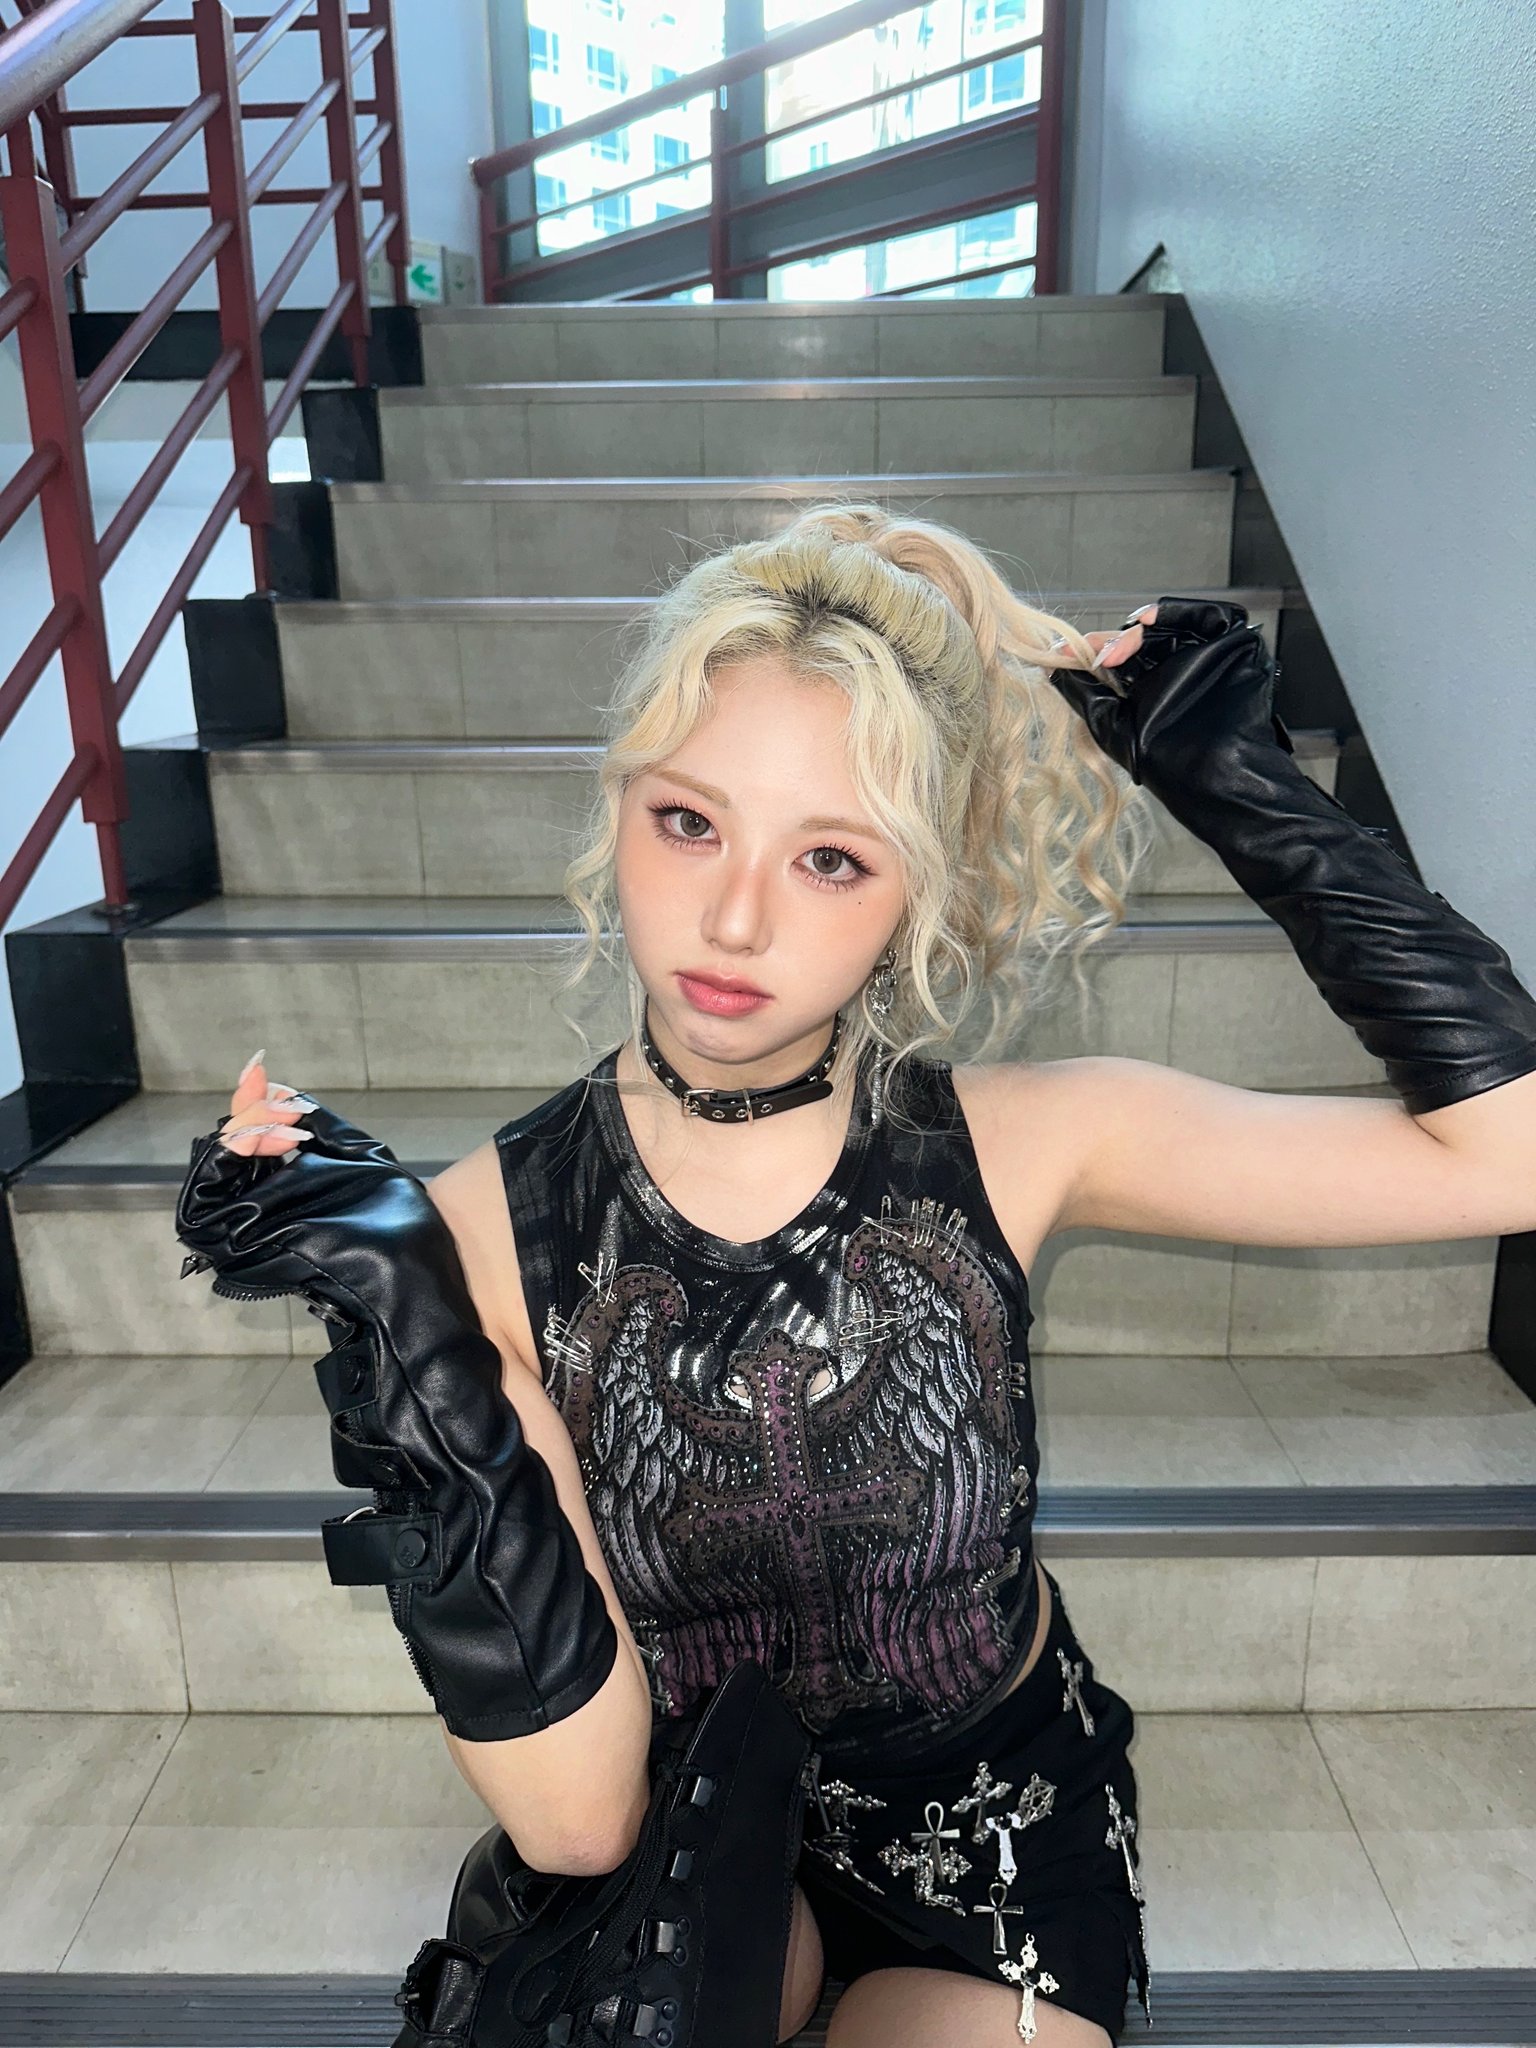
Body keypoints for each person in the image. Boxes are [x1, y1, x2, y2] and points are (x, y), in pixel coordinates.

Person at [183, 501, 1536, 2048]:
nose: (735, 918)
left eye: (830, 858)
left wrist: (1242, 786)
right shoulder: (490, 1228)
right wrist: (398, 1305)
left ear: (917, 895)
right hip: (684, 1823)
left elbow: (1508, 1158)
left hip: (996, 1830)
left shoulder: (1030, 1142)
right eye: (689, 823)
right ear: (617, 808)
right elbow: (577, 1819)